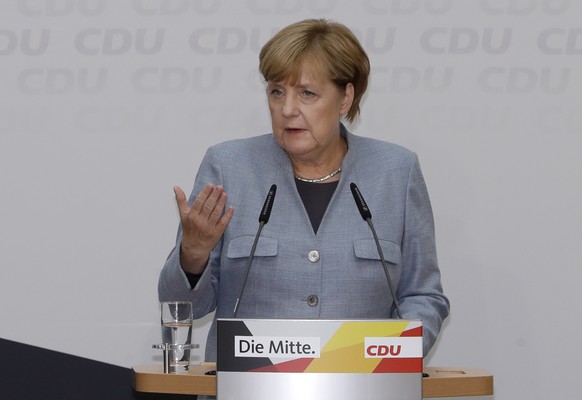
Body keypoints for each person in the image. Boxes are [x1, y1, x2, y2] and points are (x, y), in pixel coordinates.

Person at [158, 19, 450, 373]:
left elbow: (423, 297)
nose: (287, 109)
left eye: (307, 94)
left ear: (345, 97)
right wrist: (194, 253)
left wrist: (387, 358)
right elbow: (182, 304)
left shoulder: (396, 172)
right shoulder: (229, 167)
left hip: (363, 389)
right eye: (276, 91)